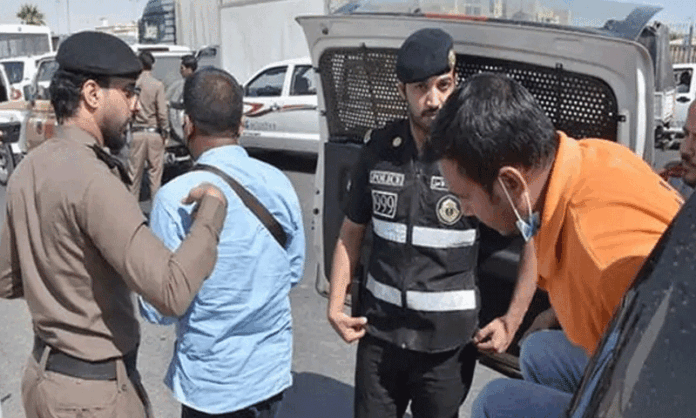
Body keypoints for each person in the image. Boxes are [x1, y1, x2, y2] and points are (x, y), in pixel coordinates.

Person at [423, 72, 683, 418]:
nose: (464, 209)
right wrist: (550, 312)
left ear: (510, 182)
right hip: (637, 357)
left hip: (661, 391)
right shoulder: (593, 157)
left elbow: (661, 392)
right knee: (539, 351)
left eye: (466, 196)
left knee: (495, 402)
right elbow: (543, 235)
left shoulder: (601, 262)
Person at [0, 31, 228, 418]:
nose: (135, 106)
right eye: (127, 92)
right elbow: (171, 290)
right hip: (92, 397)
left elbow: (7, 279)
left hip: (43, 380)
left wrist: (63, 292)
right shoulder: (95, 181)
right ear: (92, 94)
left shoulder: (28, 169)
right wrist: (211, 212)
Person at [328, 28, 521, 418]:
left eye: (443, 85)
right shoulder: (379, 149)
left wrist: (512, 320)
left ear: (456, 81)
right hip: (380, 336)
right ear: (402, 90)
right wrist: (335, 304)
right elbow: (351, 231)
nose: (433, 100)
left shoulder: (477, 154)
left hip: (448, 346)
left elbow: (532, 235)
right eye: (421, 88)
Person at [138, 67, 305, 418]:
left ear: (187, 124)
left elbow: (160, 309)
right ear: (241, 123)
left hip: (211, 383)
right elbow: (293, 271)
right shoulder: (279, 183)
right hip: (269, 374)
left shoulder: (173, 200)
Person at [128, 50, 169, 200]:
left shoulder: (132, 85)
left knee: (133, 177)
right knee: (155, 176)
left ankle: (131, 210)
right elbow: (162, 113)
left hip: (136, 132)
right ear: (152, 65)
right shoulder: (157, 85)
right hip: (154, 133)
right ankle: (156, 209)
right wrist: (165, 131)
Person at [166, 54, 198, 143]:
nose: (180, 71)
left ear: (189, 69)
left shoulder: (193, 84)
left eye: (182, 68)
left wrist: (171, 104)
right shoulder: (194, 81)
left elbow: (188, 105)